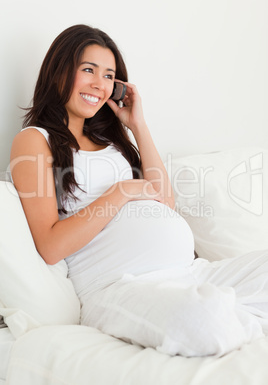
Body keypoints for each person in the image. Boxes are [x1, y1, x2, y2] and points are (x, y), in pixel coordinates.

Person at [10, 24, 268, 357]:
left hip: (189, 272)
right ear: (59, 71)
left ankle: (231, 317)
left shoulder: (112, 141)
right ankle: (233, 319)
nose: (99, 85)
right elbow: (49, 245)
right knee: (204, 320)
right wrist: (121, 191)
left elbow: (165, 202)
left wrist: (138, 125)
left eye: (108, 76)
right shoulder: (35, 140)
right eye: (88, 70)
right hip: (121, 287)